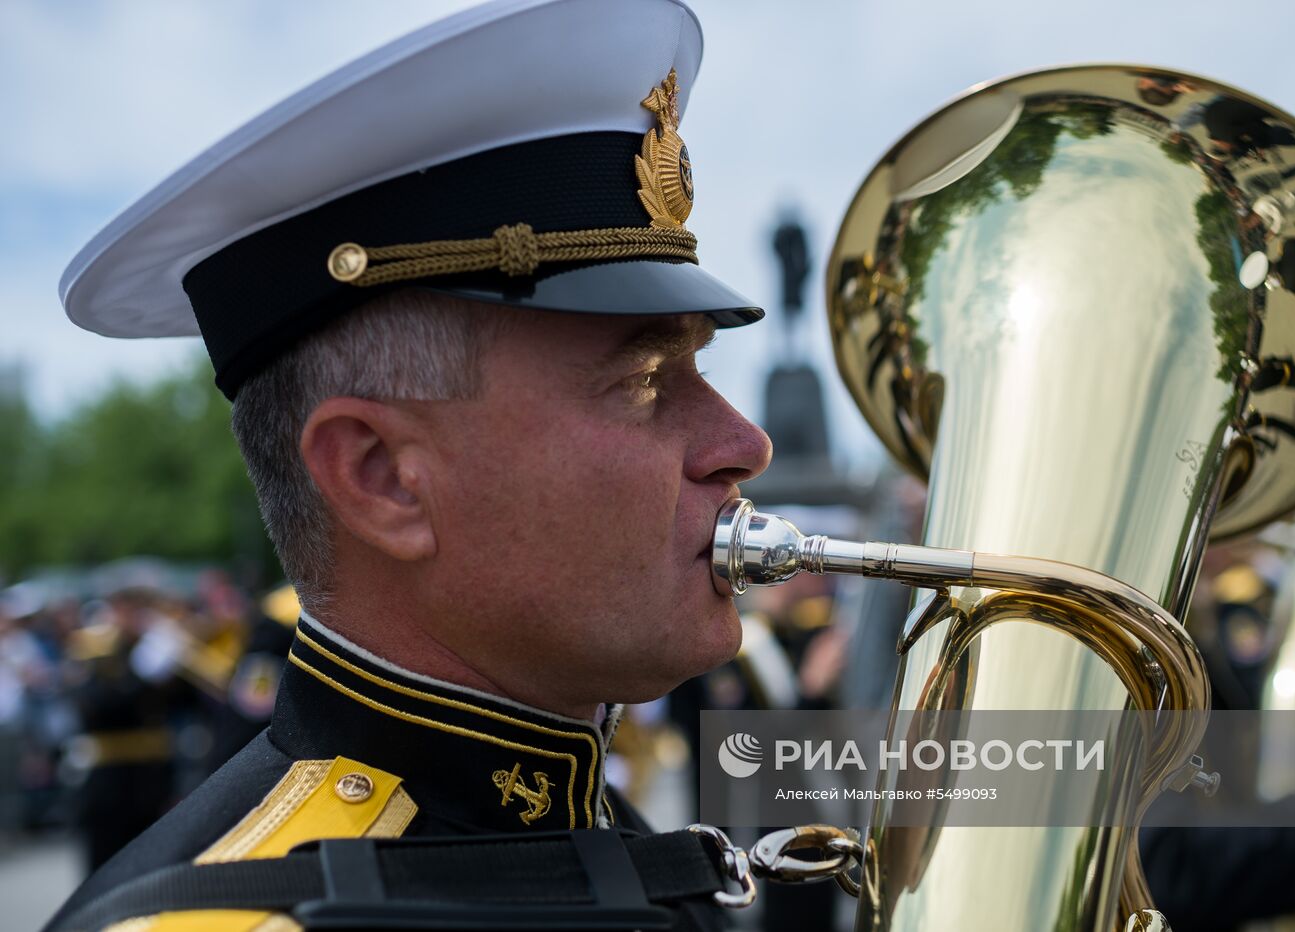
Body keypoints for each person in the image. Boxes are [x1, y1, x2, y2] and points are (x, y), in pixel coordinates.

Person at [44, 1, 772, 929]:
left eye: (699, 371)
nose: (745, 444)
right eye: (642, 381)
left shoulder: (604, 827)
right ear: (382, 477)